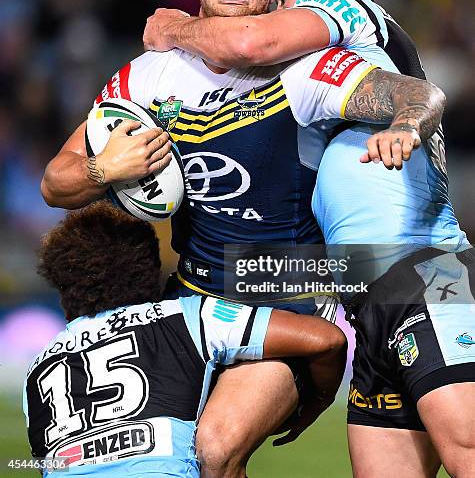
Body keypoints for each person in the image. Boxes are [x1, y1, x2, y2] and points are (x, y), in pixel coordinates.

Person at [41, 0, 444, 477]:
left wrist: (404, 120)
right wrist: (104, 167)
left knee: (216, 446)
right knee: (154, 455)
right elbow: (55, 184)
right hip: (190, 295)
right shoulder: (146, 77)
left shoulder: (302, 67)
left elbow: (412, 93)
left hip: (284, 289)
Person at [143, 0, 474, 477]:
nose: (275, 6)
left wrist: (174, 30)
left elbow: (251, 43)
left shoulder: (354, 12)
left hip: (425, 274)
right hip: (369, 294)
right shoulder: (316, 89)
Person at [24, 200, 347, 477]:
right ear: (150, 272)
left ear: (64, 289)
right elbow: (325, 339)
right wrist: (314, 402)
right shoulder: (184, 317)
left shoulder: (38, 369)